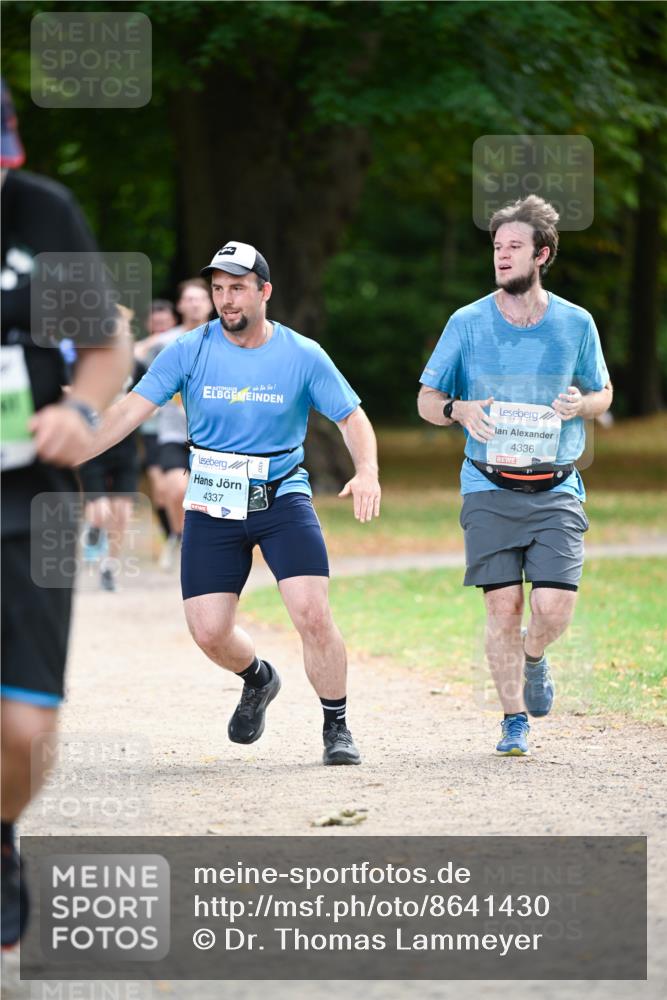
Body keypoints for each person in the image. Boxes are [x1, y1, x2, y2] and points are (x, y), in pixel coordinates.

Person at [76, 241, 381, 766]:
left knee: (312, 613)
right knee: (209, 631)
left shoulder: (302, 354)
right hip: (213, 503)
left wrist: (368, 470)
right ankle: (258, 679)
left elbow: (351, 417)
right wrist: (74, 448)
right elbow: (129, 411)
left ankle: (337, 726)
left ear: (264, 291)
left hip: (281, 497)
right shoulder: (189, 350)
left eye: (236, 287)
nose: (225, 299)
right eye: (218, 289)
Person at [1, 80, 131, 946]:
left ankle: (0, 835)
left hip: (28, 503)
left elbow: (106, 346)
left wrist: (78, 413)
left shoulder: (42, 214)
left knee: (25, 724)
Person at [417, 195, 612, 757]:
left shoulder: (576, 323)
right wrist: (459, 410)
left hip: (555, 487)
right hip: (487, 484)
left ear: (542, 254)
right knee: (502, 606)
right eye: (497, 247)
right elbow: (427, 399)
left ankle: (534, 657)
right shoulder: (467, 322)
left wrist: (582, 404)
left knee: (552, 609)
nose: (501, 257)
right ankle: (513, 720)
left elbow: (604, 392)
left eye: (514, 248)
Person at [137, 280, 214, 570]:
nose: (194, 304)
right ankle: (180, 536)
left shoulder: (223, 338)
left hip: (212, 432)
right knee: (174, 489)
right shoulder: (165, 340)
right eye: (189, 299)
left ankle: (204, 545)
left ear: (210, 303)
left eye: (200, 299)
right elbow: (129, 353)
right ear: (180, 305)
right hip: (172, 429)